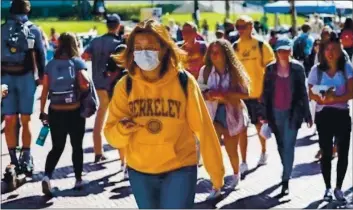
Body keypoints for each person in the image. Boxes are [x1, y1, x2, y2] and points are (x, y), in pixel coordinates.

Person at [104, 19, 225, 209]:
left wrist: (216, 172)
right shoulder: (125, 86)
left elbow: (204, 129)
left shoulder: (184, 82)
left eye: (150, 47)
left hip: (180, 167)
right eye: (138, 47)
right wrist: (122, 129)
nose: (144, 53)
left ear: (164, 48)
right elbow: (112, 136)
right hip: (140, 170)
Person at [198, 39, 250, 199]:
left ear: (226, 54)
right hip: (212, 114)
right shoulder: (205, 71)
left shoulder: (235, 71)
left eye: (217, 52)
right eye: (211, 52)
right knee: (212, 151)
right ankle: (216, 184)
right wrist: (208, 94)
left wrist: (225, 95)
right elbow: (198, 90)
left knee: (231, 149)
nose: (213, 55)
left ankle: (235, 174)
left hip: (232, 114)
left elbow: (246, 93)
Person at [40, 32, 91, 196]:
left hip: (55, 111)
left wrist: (41, 111)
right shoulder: (77, 62)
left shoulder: (50, 64)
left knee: (57, 147)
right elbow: (85, 83)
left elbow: (45, 89)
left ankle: (47, 177)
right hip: (74, 111)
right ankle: (78, 179)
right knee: (77, 146)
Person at [261, 37, 312, 196]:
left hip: (293, 113)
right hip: (275, 113)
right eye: (281, 51)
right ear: (276, 52)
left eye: (286, 50)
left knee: (289, 145)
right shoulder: (270, 69)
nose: (284, 53)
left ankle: (285, 180)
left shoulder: (298, 68)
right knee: (281, 146)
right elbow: (265, 94)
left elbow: (303, 93)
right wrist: (263, 115)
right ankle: (286, 169)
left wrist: (308, 114)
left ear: (291, 51)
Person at [1, 0, 46, 177]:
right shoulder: (33, 29)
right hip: (26, 77)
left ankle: (12, 158)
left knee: (10, 118)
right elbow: (41, 55)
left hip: (4, 77)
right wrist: (42, 77)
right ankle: (26, 157)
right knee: (26, 119)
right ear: (28, 10)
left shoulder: (2, 29)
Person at [307, 32, 353, 202]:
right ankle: (327, 187)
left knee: (343, 152)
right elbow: (310, 94)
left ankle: (339, 188)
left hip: (342, 114)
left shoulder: (346, 68)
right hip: (323, 116)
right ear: (323, 51)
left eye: (334, 49)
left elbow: (351, 93)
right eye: (328, 49)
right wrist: (322, 97)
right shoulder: (316, 70)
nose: (331, 52)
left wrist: (335, 99)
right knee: (326, 152)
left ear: (340, 50)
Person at [232, 15, 276, 175]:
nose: (240, 30)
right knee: (241, 129)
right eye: (238, 26)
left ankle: (264, 151)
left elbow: (271, 69)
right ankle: (243, 161)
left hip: (259, 94)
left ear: (251, 27)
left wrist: (266, 92)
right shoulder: (235, 47)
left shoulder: (260, 45)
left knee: (259, 127)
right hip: (242, 95)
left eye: (243, 26)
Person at [82, 14, 123, 163]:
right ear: (118, 26)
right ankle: (122, 157)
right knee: (118, 119)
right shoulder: (118, 43)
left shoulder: (96, 41)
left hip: (98, 84)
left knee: (100, 119)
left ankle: (98, 152)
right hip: (113, 85)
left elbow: (84, 56)